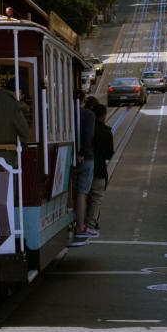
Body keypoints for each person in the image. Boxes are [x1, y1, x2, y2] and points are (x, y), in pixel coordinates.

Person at [72, 90, 96, 245]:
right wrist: (81, 152)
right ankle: (80, 226)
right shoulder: (88, 115)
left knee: (69, 191)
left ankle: (71, 223)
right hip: (85, 158)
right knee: (82, 193)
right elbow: (88, 135)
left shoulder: (63, 113)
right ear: (83, 100)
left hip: (67, 157)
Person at [86, 104, 114, 234]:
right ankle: (90, 224)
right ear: (103, 116)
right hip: (99, 170)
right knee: (96, 197)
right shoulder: (106, 132)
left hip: (84, 167)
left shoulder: (85, 128)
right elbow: (109, 154)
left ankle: (81, 222)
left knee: (83, 194)